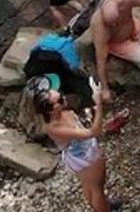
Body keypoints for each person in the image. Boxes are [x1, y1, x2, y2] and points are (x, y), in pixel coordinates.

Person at [36, 83, 119, 212]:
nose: (64, 99)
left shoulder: (61, 111)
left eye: (61, 96)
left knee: (90, 186)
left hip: (80, 152)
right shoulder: (55, 128)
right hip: (85, 157)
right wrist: (99, 107)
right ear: (51, 110)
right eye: (60, 100)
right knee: (97, 188)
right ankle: (104, 208)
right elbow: (94, 132)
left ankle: (104, 204)